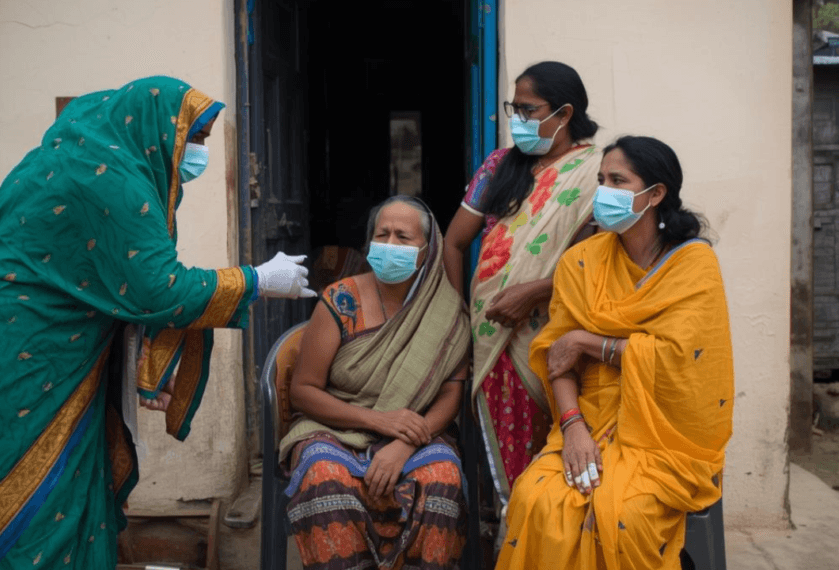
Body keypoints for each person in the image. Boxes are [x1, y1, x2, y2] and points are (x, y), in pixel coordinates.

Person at [0, 76, 314, 570]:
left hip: (17, 338)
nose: (197, 153)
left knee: (63, 486)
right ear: (157, 129)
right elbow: (158, 290)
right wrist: (256, 279)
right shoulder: (110, 178)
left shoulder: (74, 156)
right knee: (29, 498)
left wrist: (140, 371)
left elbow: (109, 282)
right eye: (193, 137)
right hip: (21, 353)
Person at [496, 136, 734, 569]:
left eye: (618, 180)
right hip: (589, 418)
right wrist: (572, 428)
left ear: (656, 194)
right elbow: (558, 358)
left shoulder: (693, 265)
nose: (603, 190)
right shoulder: (581, 261)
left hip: (663, 434)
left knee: (623, 513)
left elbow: (681, 360)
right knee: (536, 498)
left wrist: (590, 342)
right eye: (601, 179)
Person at [283, 195, 471, 570]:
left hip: (416, 431)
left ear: (427, 250)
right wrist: (379, 421)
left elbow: (452, 396)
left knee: (442, 478)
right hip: (334, 425)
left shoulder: (447, 312)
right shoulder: (340, 300)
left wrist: (402, 443)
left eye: (403, 237)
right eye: (381, 235)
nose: (390, 245)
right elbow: (303, 391)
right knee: (324, 474)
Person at [443, 61, 602, 495]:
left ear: (565, 114)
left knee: (561, 469)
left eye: (528, 110)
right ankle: (514, 541)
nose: (518, 120)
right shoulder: (497, 166)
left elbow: (600, 262)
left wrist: (538, 290)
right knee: (511, 476)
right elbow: (452, 244)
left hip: (557, 335)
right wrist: (463, 317)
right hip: (493, 336)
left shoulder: (597, 174)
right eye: (514, 108)